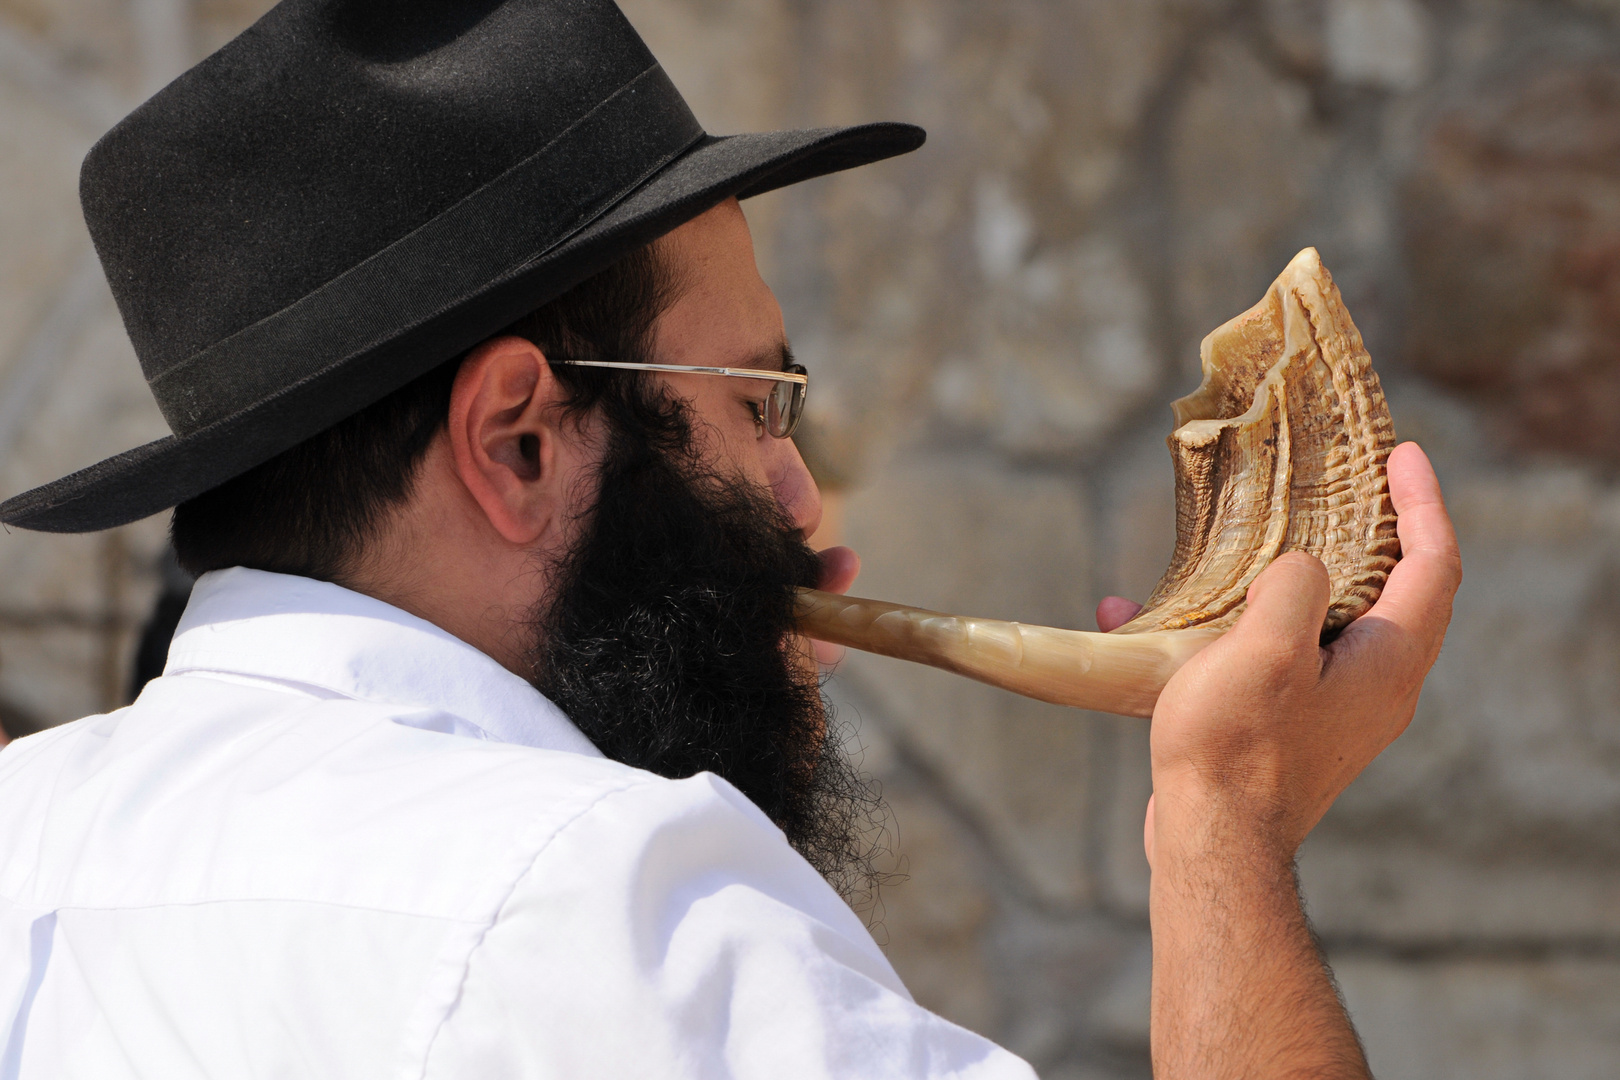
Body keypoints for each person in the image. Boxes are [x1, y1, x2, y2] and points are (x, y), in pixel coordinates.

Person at [0, 1, 1461, 1077]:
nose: (802, 498)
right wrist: (1224, 829)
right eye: (761, 403)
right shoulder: (604, 902)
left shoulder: (26, 831)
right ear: (517, 437)